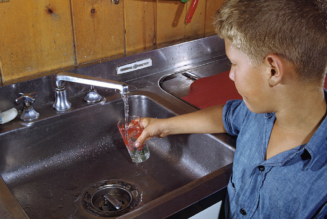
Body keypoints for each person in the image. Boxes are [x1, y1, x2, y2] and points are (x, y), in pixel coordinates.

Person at [135, 0, 327, 218]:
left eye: (234, 63)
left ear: (273, 70)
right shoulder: (258, 114)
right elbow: (225, 116)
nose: (231, 74)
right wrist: (163, 127)